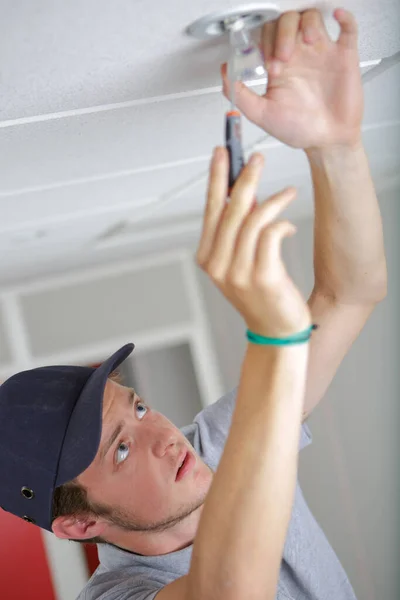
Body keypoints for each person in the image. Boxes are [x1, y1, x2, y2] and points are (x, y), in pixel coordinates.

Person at [0, 7, 387, 600]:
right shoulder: (116, 595)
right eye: (121, 449)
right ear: (80, 525)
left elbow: (348, 295)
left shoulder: (213, 446)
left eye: (138, 406)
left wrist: (335, 145)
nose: (164, 436)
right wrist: (273, 336)